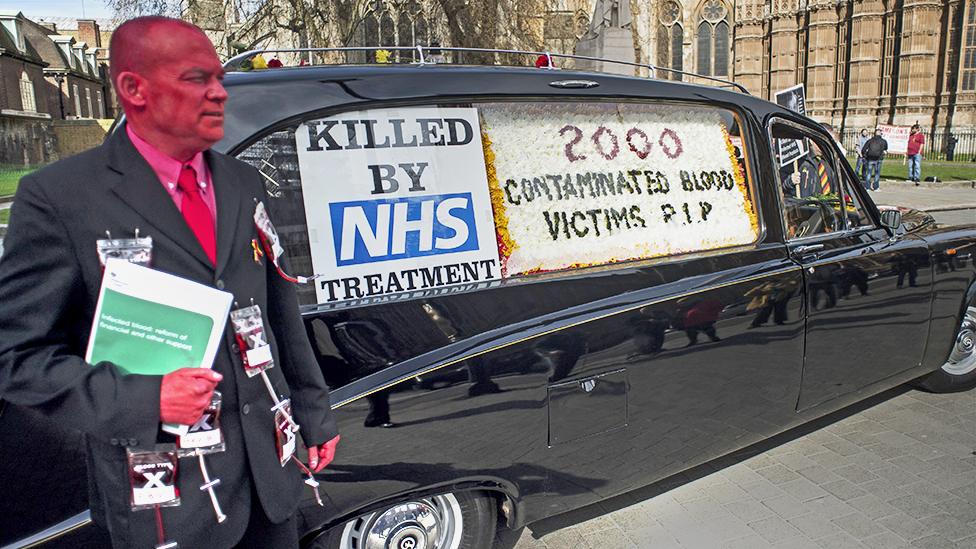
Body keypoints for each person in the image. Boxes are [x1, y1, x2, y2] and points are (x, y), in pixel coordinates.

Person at [0, 17, 339, 548]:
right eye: (196, 78)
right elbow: (17, 358)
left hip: (270, 479)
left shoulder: (242, 180)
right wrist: (148, 398)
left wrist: (314, 413)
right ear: (134, 89)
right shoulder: (59, 198)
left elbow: (279, 310)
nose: (218, 92)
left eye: (218, 78)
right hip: (166, 498)